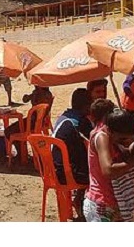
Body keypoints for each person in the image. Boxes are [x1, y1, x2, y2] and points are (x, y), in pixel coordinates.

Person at [84, 108, 134, 222]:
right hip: (102, 204)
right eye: (122, 138)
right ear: (109, 131)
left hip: (118, 203)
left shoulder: (117, 139)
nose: (125, 142)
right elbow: (108, 170)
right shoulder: (101, 137)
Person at [52, 88, 94, 220]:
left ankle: (79, 200)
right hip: (65, 174)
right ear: (87, 106)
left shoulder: (65, 116)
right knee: (100, 172)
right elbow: (92, 145)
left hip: (52, 169)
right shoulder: (80, 123)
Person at [3, 85, 54, 162]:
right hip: (40, 121)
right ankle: (23, 154)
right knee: (15, 129)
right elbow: (25, 99)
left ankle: (21, 155)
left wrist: (32, 95)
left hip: (33, 122)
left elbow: (27, 100)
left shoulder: (39, 94)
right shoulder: (47, 93)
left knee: (9, 131)